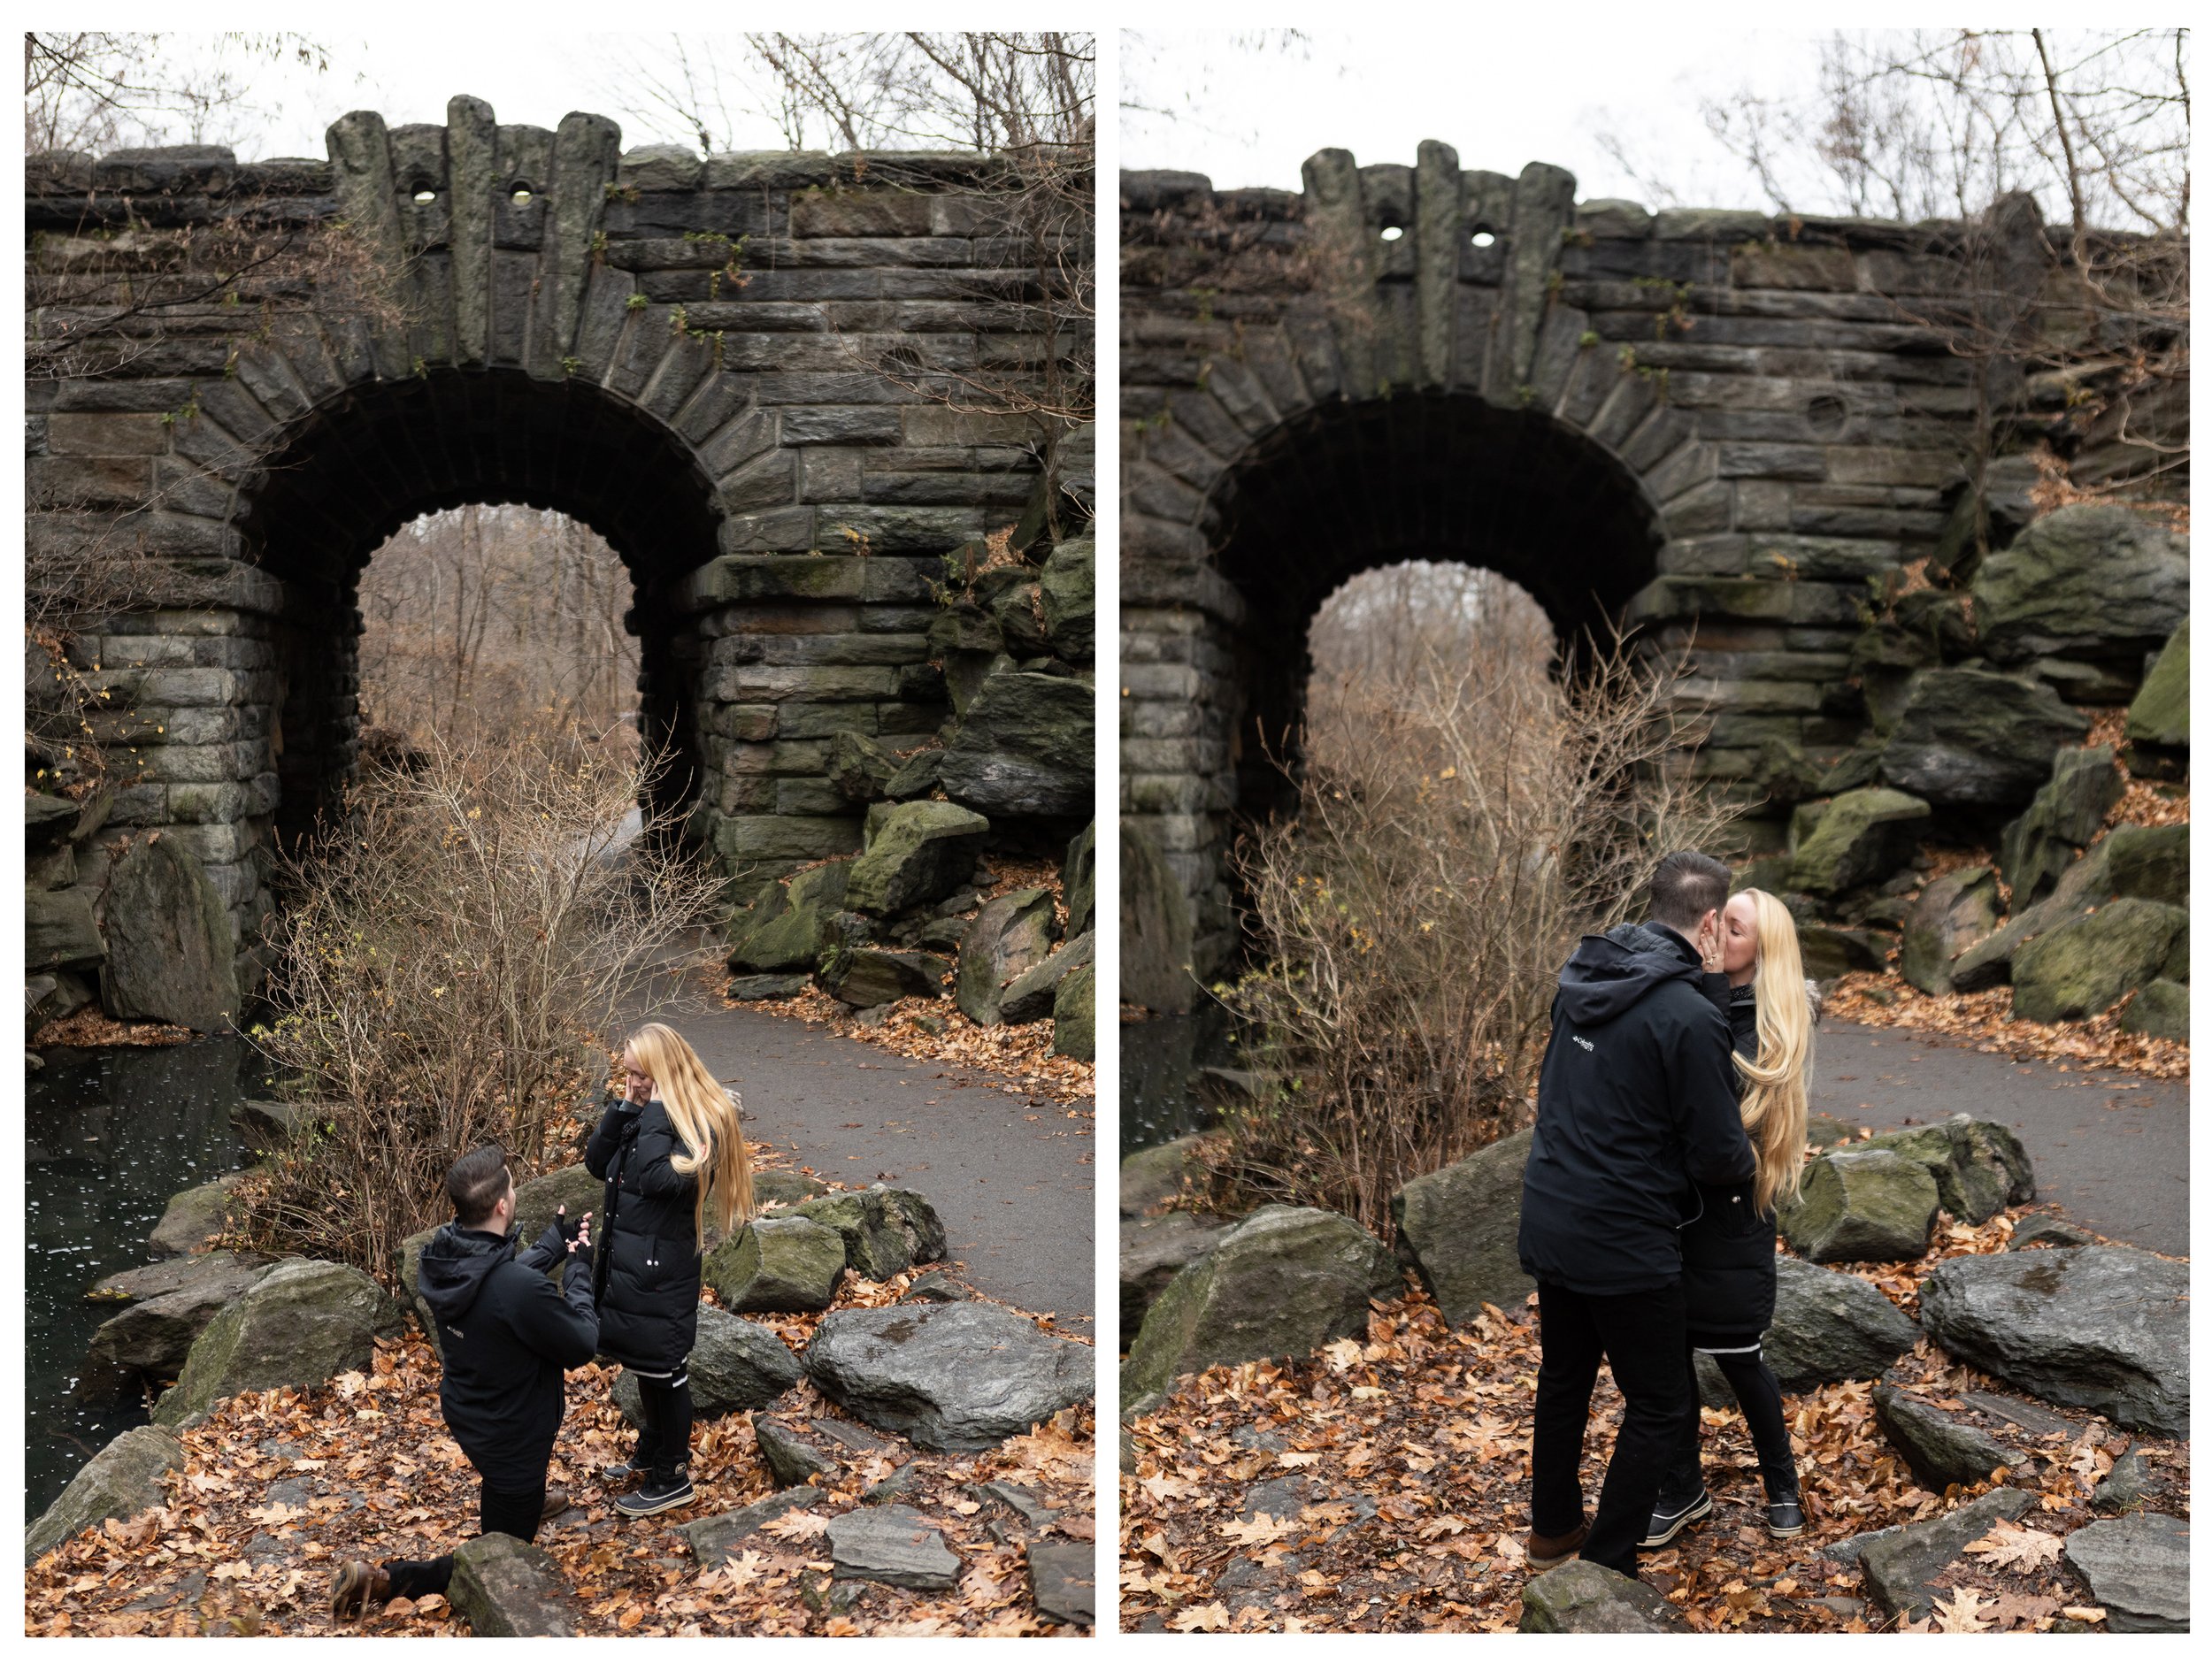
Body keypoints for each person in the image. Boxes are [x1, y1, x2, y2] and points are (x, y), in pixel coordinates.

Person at [1516, 850, 1758, 1579]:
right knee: (1660, 1402)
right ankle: (1604, 1565)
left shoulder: (1584, 975)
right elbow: (1719, 1155)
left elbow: (1638, 1063)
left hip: (1553, 1214)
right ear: (1712, 922)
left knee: (1565, 1378)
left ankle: (1553, 1531)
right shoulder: (1685, 1014)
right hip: (1625, 1240)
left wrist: (1710, 983)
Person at [331, 1146, 597, 1618]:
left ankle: (528, 1501)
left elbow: (495, 1281)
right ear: (501, 1206)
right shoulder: (518, 1289)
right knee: (498, 1554)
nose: (514, 1193)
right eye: (512, 1187)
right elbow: (581, 1343)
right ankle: (384, 1579)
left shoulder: (442, 1256)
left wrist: (552, 1245)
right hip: (512, 1433)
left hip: (470, 1409)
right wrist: (577, 1269)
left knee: (513, 1494)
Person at [1646, 886, 1816, 1548]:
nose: (1717, 935)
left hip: (1734, 1219)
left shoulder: (1775, 1026)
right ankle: (1682, 1488)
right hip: (1670, 1216)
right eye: (1719, 923)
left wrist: (1708, 988)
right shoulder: (1689, 994)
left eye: (1735, 929)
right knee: (1668, 1359)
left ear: (1759, 952)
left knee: (1742, 1361)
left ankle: (1782, 1485)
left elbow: (1724, 1109)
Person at [587, 1022, 754, 1518]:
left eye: (641, 1076)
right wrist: (627, 1109)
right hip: (633, 1263)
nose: (633, 1083)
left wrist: (656, 1111)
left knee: (667, 1372)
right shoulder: (642, 1112)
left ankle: (673, 1475)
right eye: (629, 1075)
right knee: (644, 1362)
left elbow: (658, 1180)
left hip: (663, 1268)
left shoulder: (701, 1123)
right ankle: (652, 1451)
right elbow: (599, 1164)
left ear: (662, 1074)